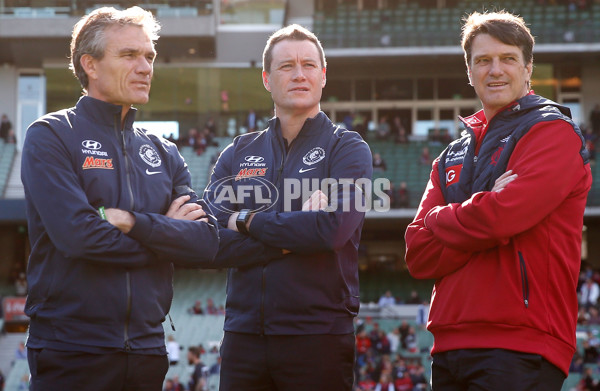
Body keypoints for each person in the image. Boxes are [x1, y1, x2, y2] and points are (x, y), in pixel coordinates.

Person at [20, 6, 219, 390]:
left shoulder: (164, 152)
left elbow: (205, 242)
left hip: (147, 351)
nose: (145, 67)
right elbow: (78, 236)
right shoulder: (51, 135)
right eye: (129, 55)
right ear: (90, 65)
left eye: (149, 56)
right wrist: (166, 237)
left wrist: (133, 222)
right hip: (71, 350)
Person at [404, 10, 591, 391]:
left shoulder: (553, 132)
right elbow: (418, 252)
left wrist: (442, 219)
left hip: (521, 343)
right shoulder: (450, 156)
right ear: (469, 72)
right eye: (483, 60)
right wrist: (481, 212)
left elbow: (502, 217)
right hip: (448, 344)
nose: (496, 70)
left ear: (528, 69)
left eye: (508, 58)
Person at [203, 24, 372, 390]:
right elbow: (209, 239)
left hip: (317, 337)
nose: (299, 74)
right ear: (267, 79)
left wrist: (244, 219)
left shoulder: (348, 149)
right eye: (286, 66)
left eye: (309, 65)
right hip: (242, 337)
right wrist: (297, 231)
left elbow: (333, 230)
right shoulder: (238, 152)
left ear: (323, 76)